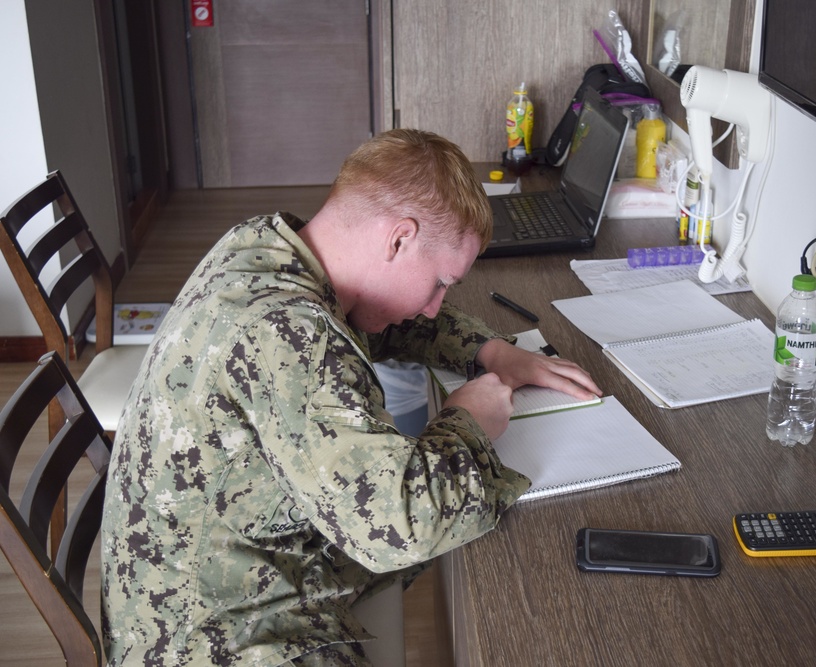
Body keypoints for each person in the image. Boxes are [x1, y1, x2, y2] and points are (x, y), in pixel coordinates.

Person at [101, 129, 601, 666]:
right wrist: (467, 421)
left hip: (194, 581)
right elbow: (400, 524)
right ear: (398, 239)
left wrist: (490, 350)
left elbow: (376, 322)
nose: (435, 306)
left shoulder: (267, 247)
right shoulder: (293, 337)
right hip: (215, 636)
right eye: (439, 282)